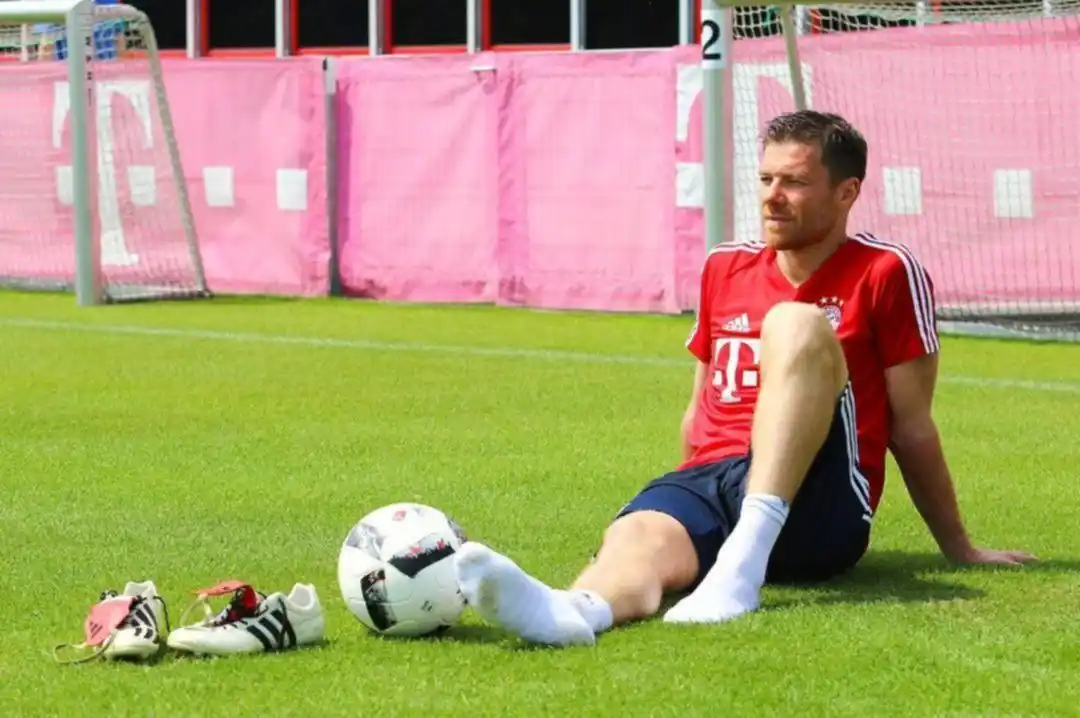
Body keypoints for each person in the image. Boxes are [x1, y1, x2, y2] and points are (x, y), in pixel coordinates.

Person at [453, 109, 1036, 647]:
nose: (771, 197)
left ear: (847, 192)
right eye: (765, 179)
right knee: (638, 538)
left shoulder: (886, 271)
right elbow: (699, 408)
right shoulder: (724, 265)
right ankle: (573, 612)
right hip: (716, 477)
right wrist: (681, 498)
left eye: (794, 182)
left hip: (820, 499)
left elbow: (911, 426)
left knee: (795, 323)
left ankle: (742, 563)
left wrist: (959, 547)